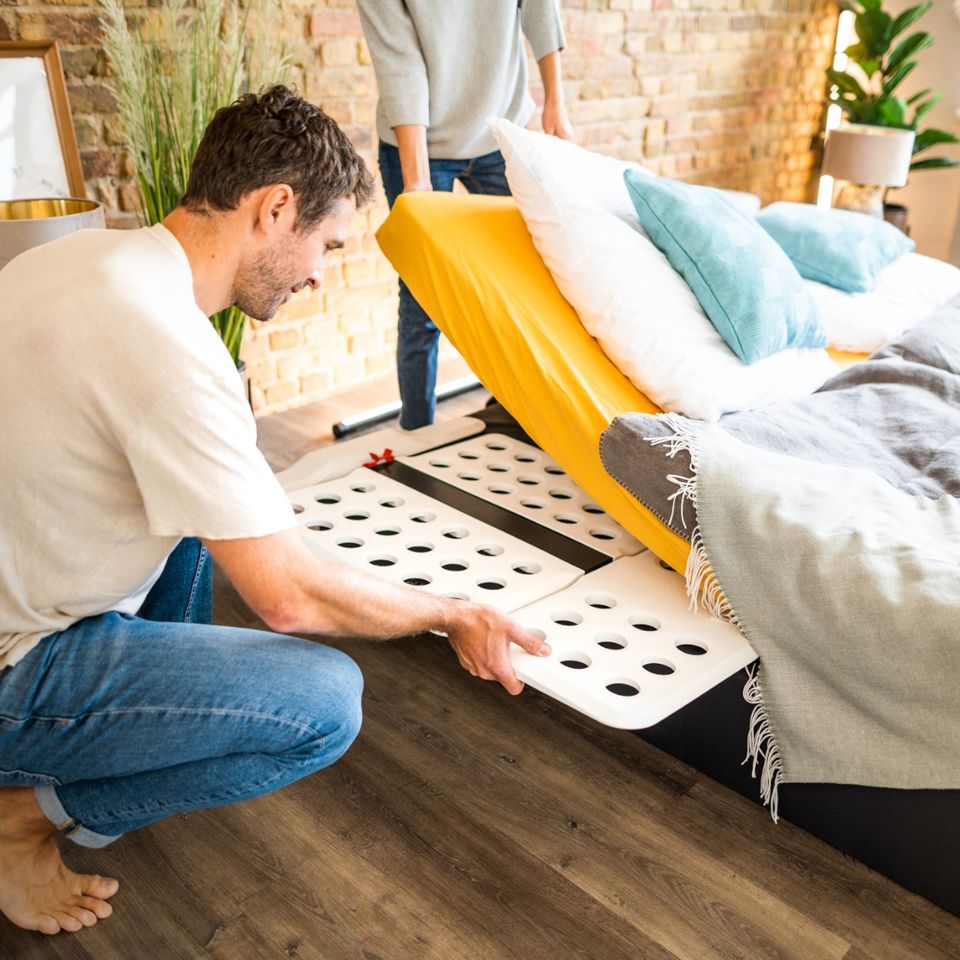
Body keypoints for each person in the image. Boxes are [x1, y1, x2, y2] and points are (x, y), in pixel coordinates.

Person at [0, 85, 550, 937]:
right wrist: (451, 613)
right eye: (325, 244)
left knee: (203, 510)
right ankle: (21, 821)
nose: (321, 274)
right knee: (323, 705)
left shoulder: (74, 256)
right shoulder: (172, 352)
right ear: (276, 208)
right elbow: (290, 598)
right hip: (10, 670)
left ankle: (105, 745)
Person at [357, 0, 574, 430]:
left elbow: (538, 7)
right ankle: (417, 434)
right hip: (420, 138)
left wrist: (555, 101)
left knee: (517, 281)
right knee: (422, 297)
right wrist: (417, 180)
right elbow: (401, 63)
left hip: (499, 125)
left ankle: (513, 418)